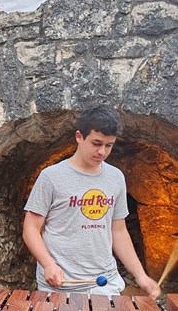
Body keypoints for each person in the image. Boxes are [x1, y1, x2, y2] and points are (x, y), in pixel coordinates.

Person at [22, 104, 160, 299]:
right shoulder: (51, 177)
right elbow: (31, 228)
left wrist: (141, 276)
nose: (102, 152)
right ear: (79, 137)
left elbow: (118, 231)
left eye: (109, 145)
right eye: (96, 143)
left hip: (105, 283)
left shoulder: (116, 177)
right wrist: (48, 264)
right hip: (61, 285)